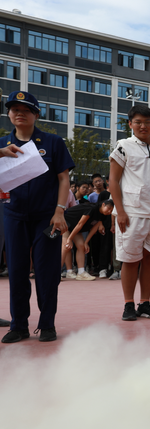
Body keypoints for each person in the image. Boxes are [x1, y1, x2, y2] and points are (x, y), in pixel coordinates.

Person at [0, 91, 74, 343]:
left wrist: (59, 210)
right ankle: (19, 325)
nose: (19, 113)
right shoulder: (2, 144)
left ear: (36, 114)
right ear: (9, 113)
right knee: (17, 270)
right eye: (14, 109)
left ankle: (47, 323)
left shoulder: (52, 142)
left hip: (47, 217)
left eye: (26, 109)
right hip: (13, 215)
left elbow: (64, 178)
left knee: (47, 270)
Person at [109, 104, 150, 321]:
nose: (143, 126)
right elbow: (113, 181)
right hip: (133, 212)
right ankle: (128, 304)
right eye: (138, 122)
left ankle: (144, 303)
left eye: (147, 122)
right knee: (130, 259)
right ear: (130, 124)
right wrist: (120, 211)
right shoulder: (123, 146)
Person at [63, 200, 115, 281]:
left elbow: (94, 229)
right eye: (108, 208)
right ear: (103, 204)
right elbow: (80, 223)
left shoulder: (103, 215)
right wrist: (69, 239)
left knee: (81, 246)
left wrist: (86, 242)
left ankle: (81, 273)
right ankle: (55, 273)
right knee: (66, 246)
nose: (109, 211)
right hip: (66, 222)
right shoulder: (92, 208)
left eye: (111, 211)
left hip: (75, 227)